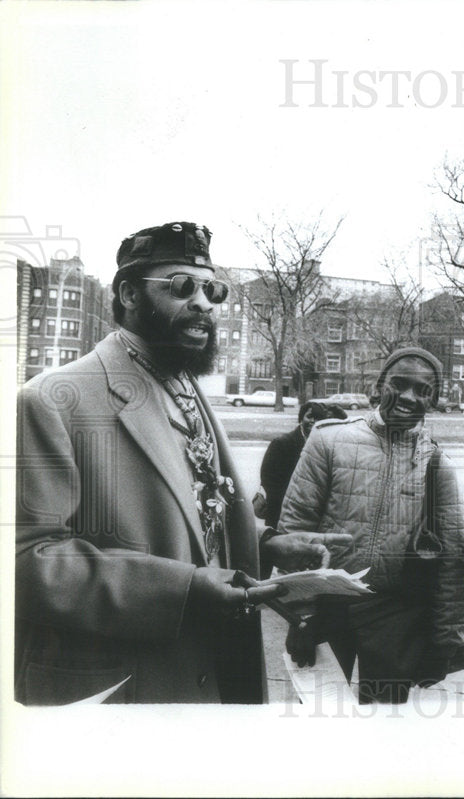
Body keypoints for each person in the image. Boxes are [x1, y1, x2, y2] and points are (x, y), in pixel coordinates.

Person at [15, 221, 347, 704]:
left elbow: (194, 514)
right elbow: (26, 560)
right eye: (181, 286)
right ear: (129, 293)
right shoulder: (53, 400)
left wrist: (268, 542)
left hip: (216, 670)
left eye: (213, 290)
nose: (204, 303)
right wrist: (183, 590)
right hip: (122, 691)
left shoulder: (185, 384)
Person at [276, 347, 464, 704]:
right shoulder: (328, 440)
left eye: (423, 390)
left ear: (434, 400)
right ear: (380, 385)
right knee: (318, 726)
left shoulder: (437, 464)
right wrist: (299, 615)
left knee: (384, 736)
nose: (410, 397)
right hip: (326, 606)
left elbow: (453, 561)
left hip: (394, 617)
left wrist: (446, 642)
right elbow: (294, 530)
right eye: (400, 384)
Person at [258, 400, 346, 530]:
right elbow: (268, 479)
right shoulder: (282, 443)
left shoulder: (322, 445)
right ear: (301, 418)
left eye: (318, 418)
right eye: (309, 416)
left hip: (309, 515)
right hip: (281, 511)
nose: (313, 421)